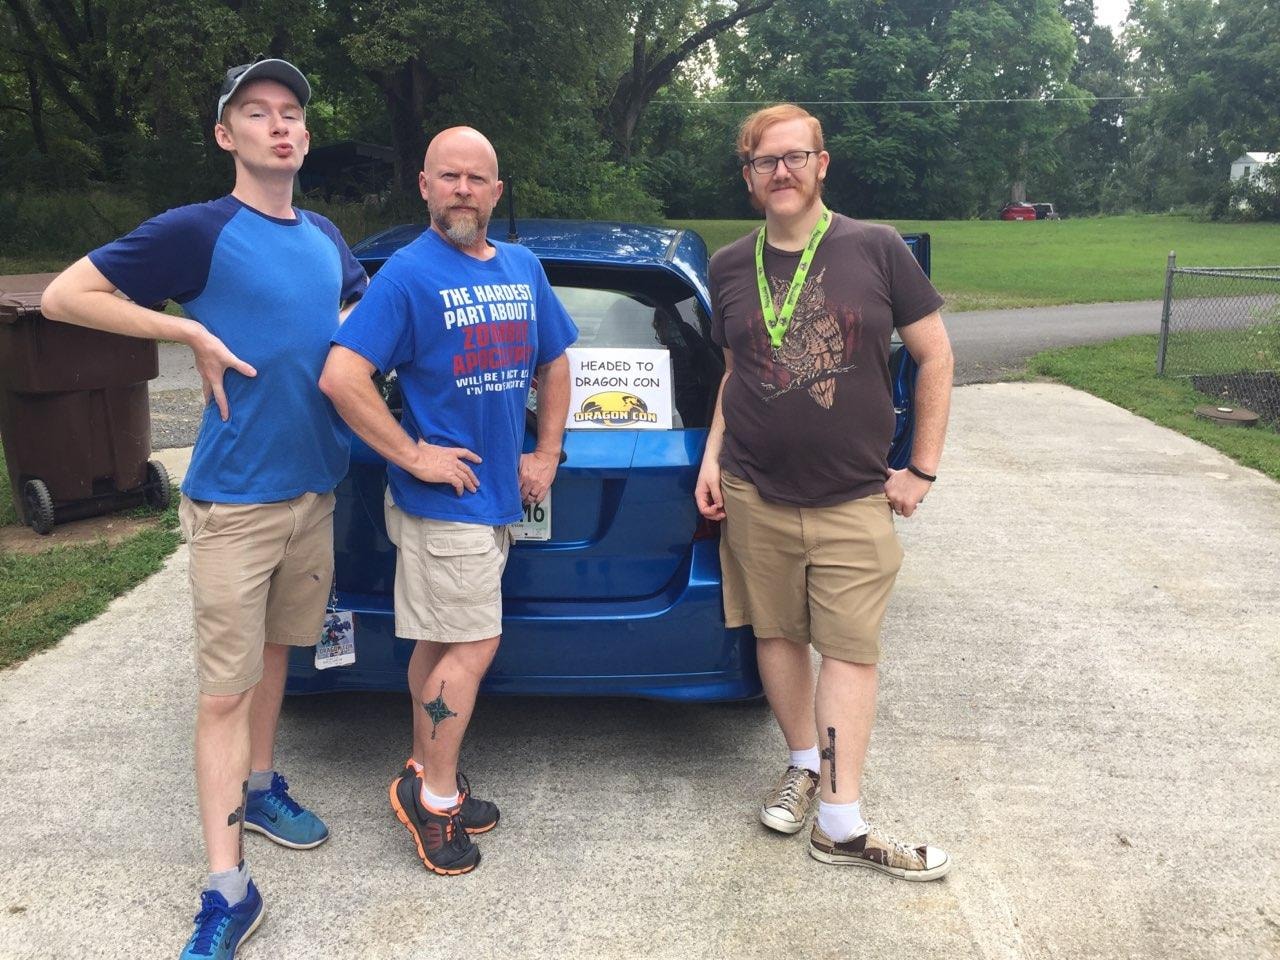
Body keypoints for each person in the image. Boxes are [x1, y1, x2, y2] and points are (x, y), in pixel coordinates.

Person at [40, 59, 367, 956]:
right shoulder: (198, 231)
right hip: (234, 505)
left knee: (274, 658)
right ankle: (228, 889)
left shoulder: (327, 236)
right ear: (227, 135)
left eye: (292, 112)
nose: (279, 126)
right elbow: (69, 295)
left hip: (314, 492)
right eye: (256, 114)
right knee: (222, 694)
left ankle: (260, 786)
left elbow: (358, 324)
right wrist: (184, 327)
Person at [694, 104, 955, 880]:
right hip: (754, 489)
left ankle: (841, 822)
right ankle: (803, 764)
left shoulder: (876, 249)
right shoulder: (730, 265)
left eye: (794, 156)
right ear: (748, 177)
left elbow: (935, 358)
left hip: (851, 498)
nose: (781, 171)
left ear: (822, 163)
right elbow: (737, 368)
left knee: (847, 649)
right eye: (764, 161)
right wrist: (713, 456)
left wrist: (922, 469)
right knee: (776, 634)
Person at [319, 126, 577, 876]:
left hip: (495, 496)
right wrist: (411, 452)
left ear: (496, 192)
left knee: (438, 644)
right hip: (447, 507)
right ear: (425, 186)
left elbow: (557, 361)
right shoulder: (406, 275)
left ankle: (421, 769)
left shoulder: (523, 268)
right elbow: (341, 376)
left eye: (478, 178)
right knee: (473, 645)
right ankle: (433, 802)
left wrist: (547, 451)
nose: (463, 189)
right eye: (449, 176)